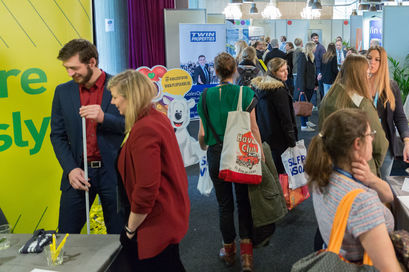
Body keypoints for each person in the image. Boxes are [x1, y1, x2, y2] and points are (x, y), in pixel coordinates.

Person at [108, 70, 189, 271]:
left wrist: (129, 229)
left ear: (130, 97)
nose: (112, 102)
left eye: (115, 97)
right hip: (165, 217)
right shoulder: (155, 118)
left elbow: (146, 189)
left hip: (154, 224)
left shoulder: (144, 128)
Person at [305, 109, 402, 272]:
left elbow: (388, 196)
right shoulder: (362, 201)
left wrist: (371, 179)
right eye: (370, 134)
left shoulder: (320, 174)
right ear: (357, 144)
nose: (372, 138)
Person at [50, 39, 124, 234]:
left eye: (74, 68)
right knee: (66, 236)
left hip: (114, 175)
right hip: (78, 173)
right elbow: (57, 135)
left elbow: (133, 126)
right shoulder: (62, 92)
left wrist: (104, 118)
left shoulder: (121, 87)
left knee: (120, 238)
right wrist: (70, 169)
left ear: (92, 62)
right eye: (66, 68)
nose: (69, 73)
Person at [198, 52, 263, 272]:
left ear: (215, 72)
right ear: (235, 70)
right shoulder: (245, 93)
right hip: (241, 152)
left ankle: (228, 252)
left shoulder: (205, 96)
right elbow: (253, 128)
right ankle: (247, 258)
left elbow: (202, 134)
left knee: (224, 205)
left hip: (216, 154)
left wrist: (204, 146)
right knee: (244, 202)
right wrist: (260, 152)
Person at [318, 55, 388, 177]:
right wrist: (372, 166)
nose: (369, 78)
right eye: (367, 74)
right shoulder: (362, 104)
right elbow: (380, 144)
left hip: (331, 167)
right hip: (359, 170)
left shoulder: (328, 98)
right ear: (360, 76)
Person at [367, 46, 409, 179]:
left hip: (385, 146)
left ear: (383, 63)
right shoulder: (360, 85)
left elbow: (400, 117)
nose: (372, 62)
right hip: (364, 145)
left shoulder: (391, 87)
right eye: (369, 58)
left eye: (377, 60)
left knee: (383, 183)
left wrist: (407, 143)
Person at [252, 58, 298, 174]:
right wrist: (292, 142)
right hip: (280, 139)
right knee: (283, 173)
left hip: (265, 137)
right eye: (282, 71)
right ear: (274, 72)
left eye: (286, 69)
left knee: (273, 171)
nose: (286, 73)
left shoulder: (260, 87)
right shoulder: (279, 91)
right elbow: (286, 119)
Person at [295, 41, 317, 132]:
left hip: (310, 85)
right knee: (303, 105)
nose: (316, 49)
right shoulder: (303, 57)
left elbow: (313, 72)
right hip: (304, 86)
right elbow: (301, 73)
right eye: (314, 47)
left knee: (307, 105)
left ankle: (306, 121)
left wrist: (315, 84)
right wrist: (301, 89)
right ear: (311, 48)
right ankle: (303, 125)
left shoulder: (311, 57)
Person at [311, 33, 326, 101]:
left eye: (316, 38)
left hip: (319, 68)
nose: (315, 39)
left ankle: (322, 101)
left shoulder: (321, 47)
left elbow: (324, 59)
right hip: (312, 69)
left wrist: (322, 71)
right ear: (311, 39)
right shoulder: (310, 47)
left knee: (320, 85)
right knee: (313, 85)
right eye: (314, 38)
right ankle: (314, 103)